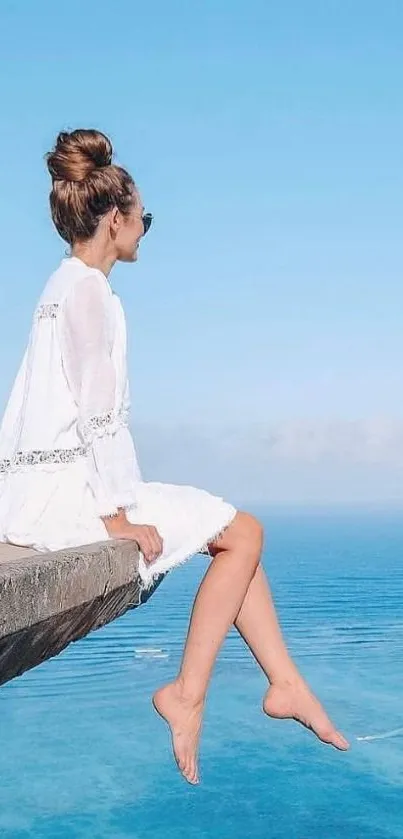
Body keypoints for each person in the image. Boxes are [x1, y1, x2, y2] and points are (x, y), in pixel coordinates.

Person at [0, 129, 349, 784]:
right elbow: (97, 417)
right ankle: (190, 693)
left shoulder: (63, 284)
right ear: (113, 219)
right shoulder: (88, 295)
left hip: (42, 486)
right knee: (243, 533)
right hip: (68, 496)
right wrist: (116, 519)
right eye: (143, 218)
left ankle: (283, 683)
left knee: (237, 531)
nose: (143, 230)